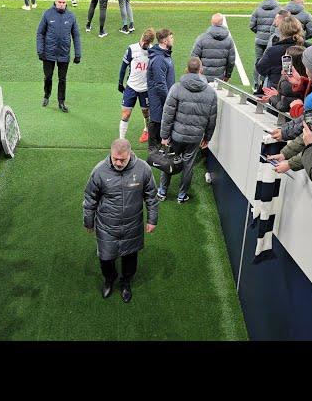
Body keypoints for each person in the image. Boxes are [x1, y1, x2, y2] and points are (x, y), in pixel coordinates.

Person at [83, 138, 158, 303]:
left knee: (130, 258)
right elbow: (90, 198)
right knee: (106, 258)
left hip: (133, 225)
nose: (117, 162)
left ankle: (125, 282)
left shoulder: (143, 169)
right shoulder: (99, 171)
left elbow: (151, 196)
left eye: (122, 159)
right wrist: (89, 221)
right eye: (114, 158)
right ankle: (109, 279)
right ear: (110, 153)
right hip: (106, 226)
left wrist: (152, 220)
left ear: (130, 154)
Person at [158, 57, 218, 204]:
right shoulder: (210, 92)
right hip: (195, 137)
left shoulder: (176, 88)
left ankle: (162, 192)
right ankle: (181, 195)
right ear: (201, 70)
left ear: (187, 69)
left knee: (169, 161)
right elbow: (212, 119)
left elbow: (167, 114)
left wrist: (164, 135)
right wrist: (207, 138)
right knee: (188, 165)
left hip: (176, 135)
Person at [36, 0, 81, 113]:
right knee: (48, 77)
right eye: (59, 2)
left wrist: (78, 54)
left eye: (63, 2)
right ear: (55, 2)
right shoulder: (47, 14)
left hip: (64, 54)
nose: (61, 4)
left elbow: (76, 35)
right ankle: (47, 95)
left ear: (66, 3)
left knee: (62, 79)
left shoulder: (71, 16)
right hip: (48, 54)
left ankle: (61, 101)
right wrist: (40, 51)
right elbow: (40, 33)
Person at [118, 28, 155, 143]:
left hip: (145, 89)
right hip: (131, 87)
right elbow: (123, 66)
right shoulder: (132, 49)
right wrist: (120, 82)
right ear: (142, 37)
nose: (144, 44)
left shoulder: (153, 51)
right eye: (144, 41)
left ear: (150, 42)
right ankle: (121, 140)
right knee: (125, 114)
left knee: (146, 113)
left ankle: (147, 130)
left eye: (147, 43)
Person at [255, 16, 304, 89]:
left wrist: (259, 59)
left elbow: (261, 69)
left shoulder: (273, 51)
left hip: (277, 90)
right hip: (300, 90)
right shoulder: (306, 48)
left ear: (281, 31)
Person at [146, 28, 175, 149]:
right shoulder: (159, 59)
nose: (173, 39)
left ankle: (156, 148)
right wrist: (168, 100)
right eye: (171, 37)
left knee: (158, 121)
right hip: (159, 100)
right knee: (157, 121)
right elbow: (160, 83)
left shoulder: (163, 55)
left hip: (161, 98)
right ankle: (153, 150)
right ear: (164, 40)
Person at [250, 0, 280, 88]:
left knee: (258, 61)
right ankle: (265, 85)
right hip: (273, 42)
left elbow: (251, 25)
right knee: (272, 62)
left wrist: (259, 33)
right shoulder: (279, 10)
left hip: (259, 40)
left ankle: (256, 84)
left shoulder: (258, 9)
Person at [191, 13, 235, 82]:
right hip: (219, 79)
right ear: (222, 23)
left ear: (211, 22)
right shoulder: (229, 40)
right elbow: (231, 61)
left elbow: (194, 57)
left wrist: (197, 72)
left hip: (203, 79)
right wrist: (227, 75)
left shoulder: (201, 38)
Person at [263, 45, 307, 112]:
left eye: (285, 57)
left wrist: (271, 98)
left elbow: (283, 106)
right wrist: (278, 95)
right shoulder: (306, 78)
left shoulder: (287, 81)